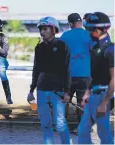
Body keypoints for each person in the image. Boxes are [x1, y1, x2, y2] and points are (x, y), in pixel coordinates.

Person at [27, 16, 71, 144]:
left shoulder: (63, 46)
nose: (42, 32)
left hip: (58, 91)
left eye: (45, 29)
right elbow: (36, 69)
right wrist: (31, 90)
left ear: (54, 29)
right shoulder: (39, 47)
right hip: (41, 90)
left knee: (60, 123)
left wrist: (67, 91)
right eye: (41, 29)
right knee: (45, 124)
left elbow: (67, 69)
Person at [78, 12, 114, 144]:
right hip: (93, 95)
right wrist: (87, 93)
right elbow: (94, 75)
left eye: (93, 30)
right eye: (88, 29)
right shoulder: (95, 49)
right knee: (82, 130)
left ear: (104, 29)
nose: (90, 33)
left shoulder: (111, 49)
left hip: (103, 95)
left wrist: (104, 103)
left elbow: (114, 79)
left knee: (103, 133)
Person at [60, 13, 94, 133]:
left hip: (68, 74)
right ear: (81, 22)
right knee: (82, 102)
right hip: (85, 74)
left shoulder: (65, 36)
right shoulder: (89, 35)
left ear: (70, 24)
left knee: (65, 100)